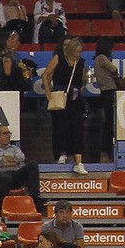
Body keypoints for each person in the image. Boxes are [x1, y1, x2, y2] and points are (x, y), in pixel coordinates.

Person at [43, 38, 88, 174]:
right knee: (60, 127)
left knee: (77, 129)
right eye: (77, 51)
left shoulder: (81, 63)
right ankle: (60, 154)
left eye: (80, 52)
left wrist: (83, 86)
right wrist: (47, 92)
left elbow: (82, 80)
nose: (79, 54)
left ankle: (78, 162)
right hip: (60, 97)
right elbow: (45, 75)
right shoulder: (59, 58)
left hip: (75, 99)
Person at [0, 125, 42, 213]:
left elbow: (21, 157)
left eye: (9, 133)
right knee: (5, 178)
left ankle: (35, 198)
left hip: (14, 175)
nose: (9, 135)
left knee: (32, 164)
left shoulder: (14, 148)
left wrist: (2, 161)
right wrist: (11, 162)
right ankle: (1, 208)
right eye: (5, 133)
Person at [93, 39, 121, 163]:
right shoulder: (102, 58)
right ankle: (105, 153)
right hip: (108, 92)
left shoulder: (98, 58)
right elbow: (114, 69)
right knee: (109, 124)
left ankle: (107, 152)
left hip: (106, 92)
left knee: (109, 124)